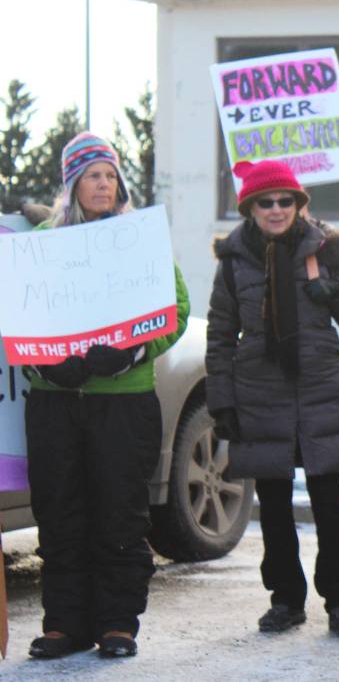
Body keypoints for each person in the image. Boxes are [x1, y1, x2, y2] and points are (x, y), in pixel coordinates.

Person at [23, 132, 190, 659]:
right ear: (72, 184)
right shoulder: (41, 244)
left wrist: (133, 354)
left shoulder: (137, 239)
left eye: (110, 175)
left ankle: (118, 622)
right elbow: (19, 315)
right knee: (60, 510)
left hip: (123, 399)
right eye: (93, 174)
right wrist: (46, 363)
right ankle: (63, 623)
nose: (104, 183)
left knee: (119, 512)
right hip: (56, 401)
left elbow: (177, 306)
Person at [205, 159, 339, 638]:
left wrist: (334, 291)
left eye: (285, 200)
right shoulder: (234, 264)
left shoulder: (325, 249)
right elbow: (219, 335)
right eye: (266, 201)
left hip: (319, 391)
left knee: (330, 504)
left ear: (299, 205)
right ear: (250, 208)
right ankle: (285, 599)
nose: (276, 209)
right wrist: (222, 403)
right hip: (259, 393)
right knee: (274, 506)